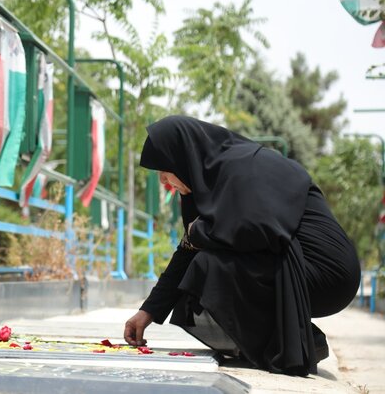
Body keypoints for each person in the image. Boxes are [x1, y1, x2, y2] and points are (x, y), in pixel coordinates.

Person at [123, 116, 360, 376]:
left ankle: (292, 343)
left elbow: (259, 230)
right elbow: (188, 250)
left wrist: (199, 232)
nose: (164, 183)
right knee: (200, 262)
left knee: (209, 266)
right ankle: (289, 340)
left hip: (327, 272)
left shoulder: (244, 167)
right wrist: (147, 312)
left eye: (165, 173)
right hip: (291, 265)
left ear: (182, 158)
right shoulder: (202, 187)